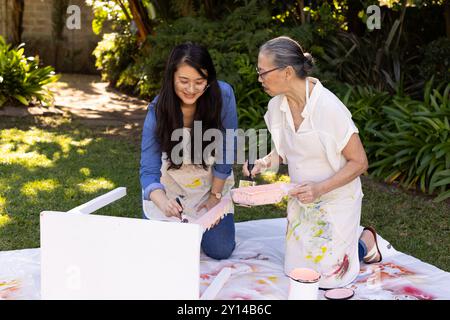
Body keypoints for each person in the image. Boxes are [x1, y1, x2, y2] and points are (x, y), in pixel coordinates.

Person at [243, 36, 382, 289]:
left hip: (336, 198)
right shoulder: (277, 106)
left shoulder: (329, 108)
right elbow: (286, 151)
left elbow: (360, 162)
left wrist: (320, 188)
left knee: (331, 279)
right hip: (302, 199)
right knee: (298, 274)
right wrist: (263, 163)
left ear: (286, 72)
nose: (259, 78)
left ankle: (366, 243)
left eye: (263, 72)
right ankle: (356, 244)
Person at [140, 43, 237, 260]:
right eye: (184, 81)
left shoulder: (224, 96)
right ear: (171, 77)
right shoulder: (158, 110)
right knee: (163, 252)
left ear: (209, 80)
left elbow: (227, 149)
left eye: (199, 82)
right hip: (170, 187)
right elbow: (148, 170)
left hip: (210, 183)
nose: (191, 89)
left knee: (220, 250)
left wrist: (215, 195)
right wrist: (164, 202)